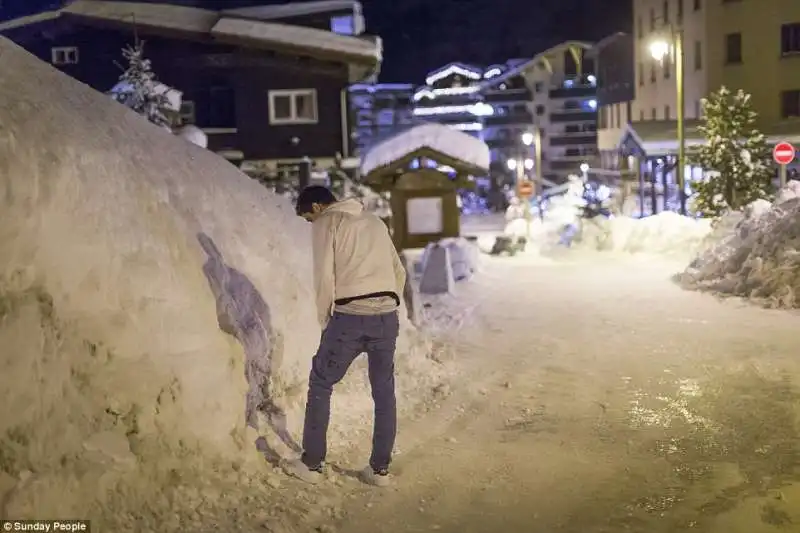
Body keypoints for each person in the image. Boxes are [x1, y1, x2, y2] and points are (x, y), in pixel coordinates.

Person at [283, 186, 406, 487]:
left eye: (308, 217)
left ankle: (312, 463)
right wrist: (389, 306)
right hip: (386, 315)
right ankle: (379, 470)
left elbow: (324, 275)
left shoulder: (328, 221)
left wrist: (326, 319)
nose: (311, 223)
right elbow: (398, 270)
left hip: (350, 316)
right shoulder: (375, 222)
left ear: (317, 206)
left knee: (321, 382)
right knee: (383, 390)